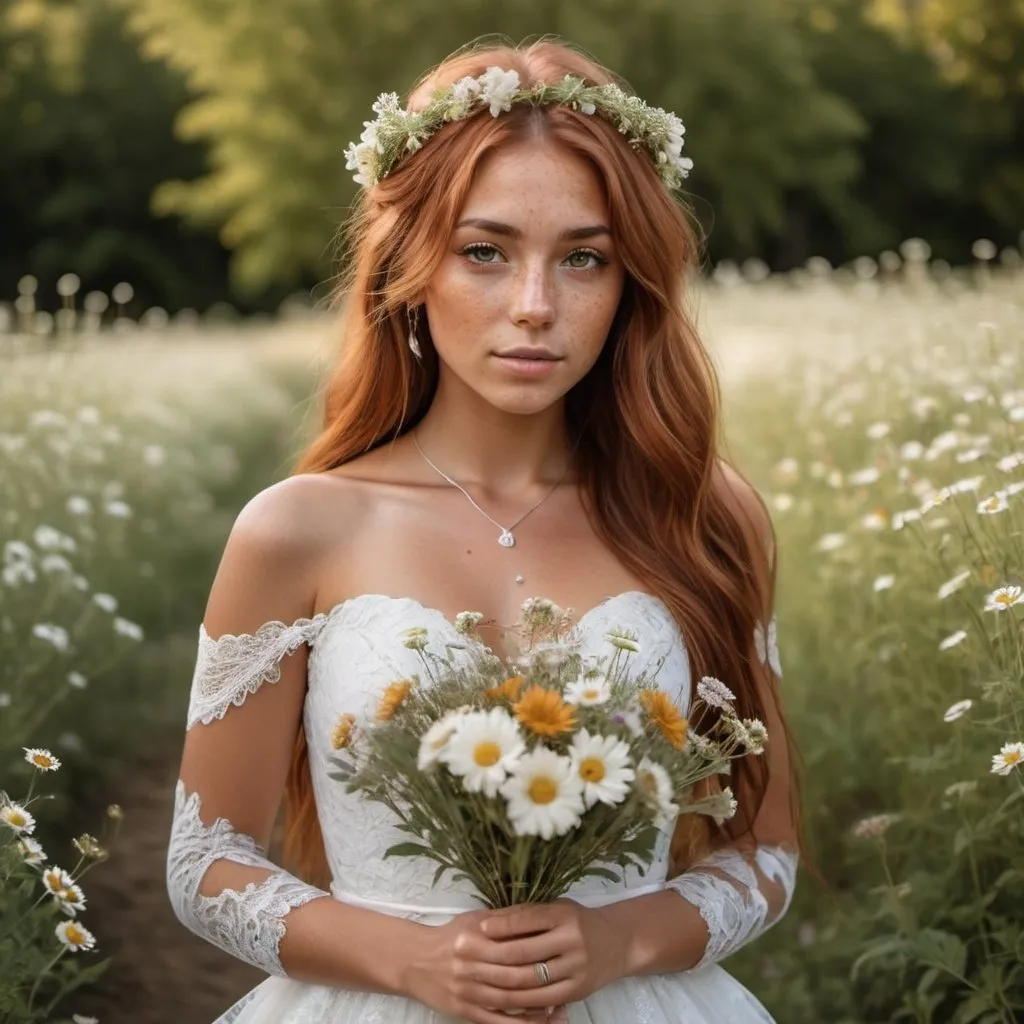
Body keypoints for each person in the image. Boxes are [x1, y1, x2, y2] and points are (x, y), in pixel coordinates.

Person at [165, 36, 800, 1024]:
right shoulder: (297, 529)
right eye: (485, 252)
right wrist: (413, 960)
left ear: (630, 281)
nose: (535, 306)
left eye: (583, 257)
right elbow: (205, 862)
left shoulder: (707, 515)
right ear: (411, 266)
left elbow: (766, 849)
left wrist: (619, 936)